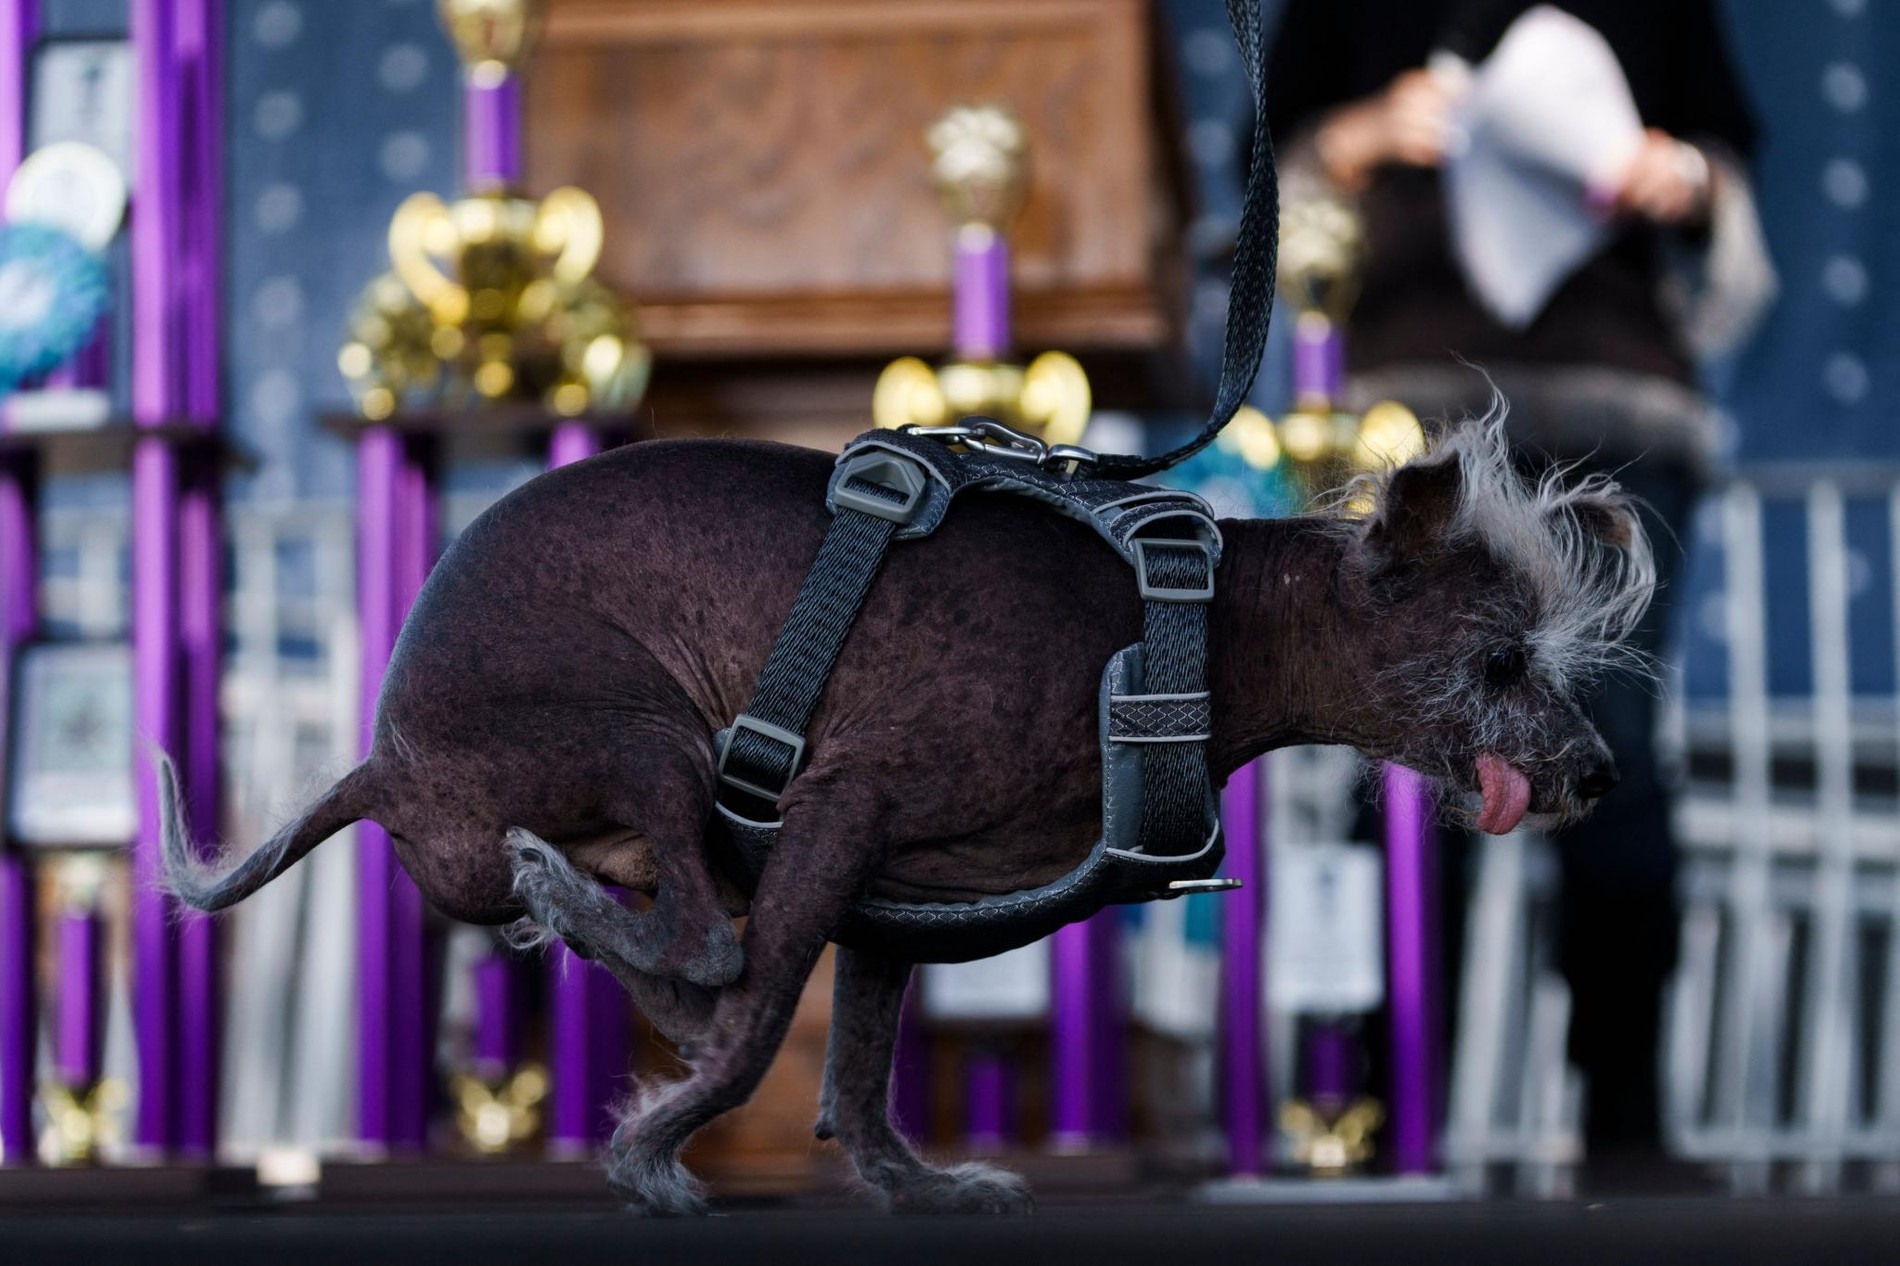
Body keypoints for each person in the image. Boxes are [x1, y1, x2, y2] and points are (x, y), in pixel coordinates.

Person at [1261, 0, 1771, 1173]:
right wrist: (1359, 134)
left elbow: (1725, 174)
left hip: (1614, 405)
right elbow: (1257, 188)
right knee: (1400, 767)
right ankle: (1379, 1119)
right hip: (1406, 407)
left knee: (1614, 761)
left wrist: (1676, 174)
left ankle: (1628, 1130)